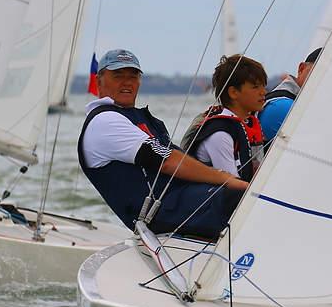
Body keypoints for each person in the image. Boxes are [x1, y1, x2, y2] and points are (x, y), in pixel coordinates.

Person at [78, 49, 248, 240]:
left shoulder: (138, 119)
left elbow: (177, 157)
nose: (127, 82)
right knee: (245, 198)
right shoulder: (104, 121)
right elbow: (167, 161)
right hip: (161, 212)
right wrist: (226, 179)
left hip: (181, 200)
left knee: (253, 194)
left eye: (133, 76)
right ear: (99, 81)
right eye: (118, 75)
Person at [181, 55, 266, 181]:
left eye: (264, 86)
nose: (263, 92)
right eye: (255, 87)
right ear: (233, 93)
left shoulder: (249, 123)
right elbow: (232, 185)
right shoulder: (220, 134)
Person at [258, 47, 321, 143]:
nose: (321, 80)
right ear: (301, 69)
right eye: (317, 73)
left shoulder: (282, 101)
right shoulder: (283, 106)